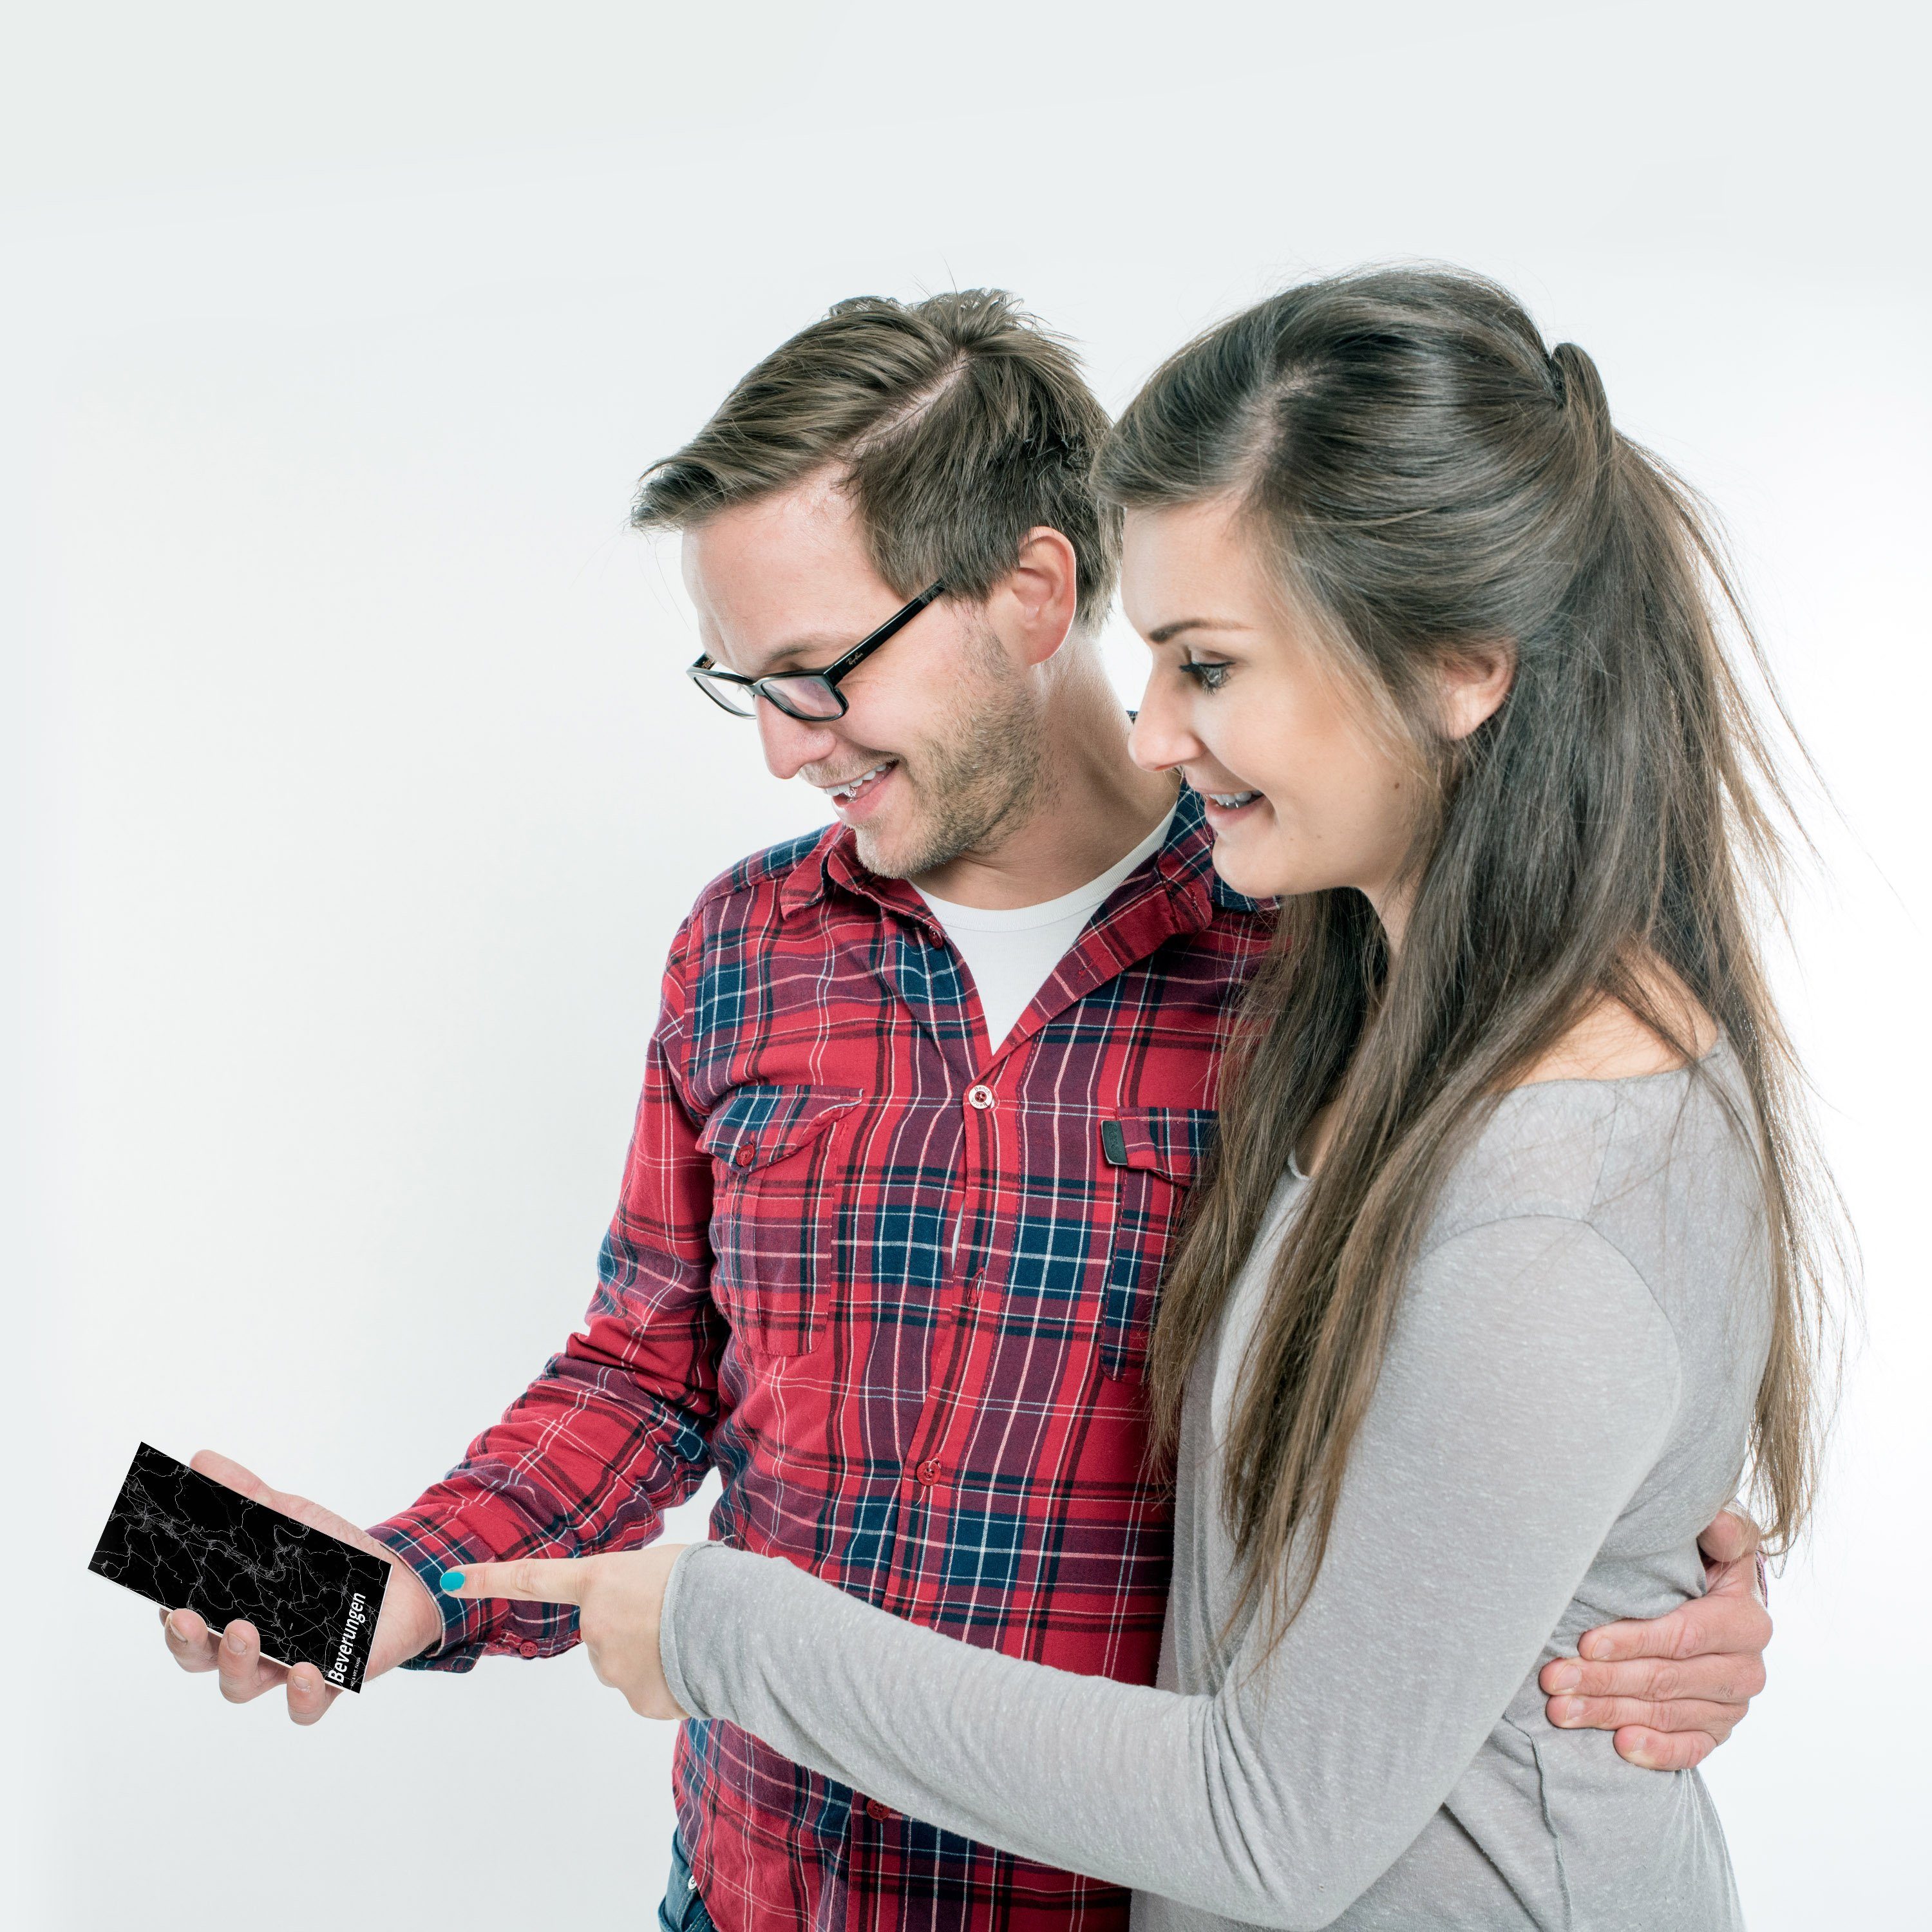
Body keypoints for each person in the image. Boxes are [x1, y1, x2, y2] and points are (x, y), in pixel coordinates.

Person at [160, 289, 1776, 1932]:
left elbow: (1532, 1338)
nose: (787, 751)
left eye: (818, 673)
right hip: (758, 1889)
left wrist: (1645, 1588)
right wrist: (406, 1584)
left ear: (1031, 592)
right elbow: (647, 1371)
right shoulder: (745, 949)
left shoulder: (1323, 950)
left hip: (1110, 1895)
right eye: (747, 687)